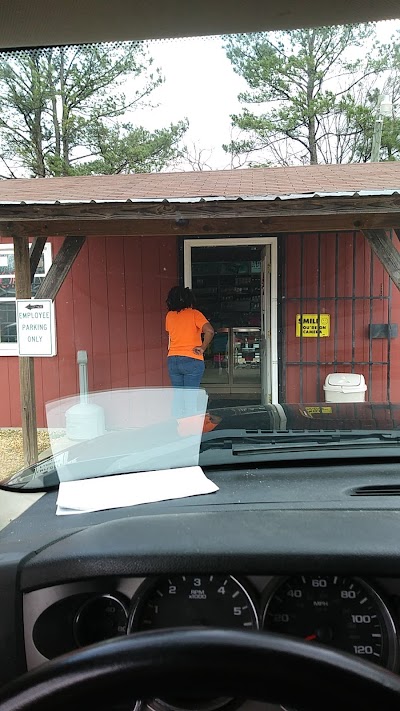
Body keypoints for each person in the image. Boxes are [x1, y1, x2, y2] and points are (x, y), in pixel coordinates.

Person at [166, 286, 214, 391]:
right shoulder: (194, 314)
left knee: (178, 397)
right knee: (190, 398)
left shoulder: (169, 315)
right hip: (192, 358)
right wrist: (202, 347)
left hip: (173, 358)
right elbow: (209, 331)